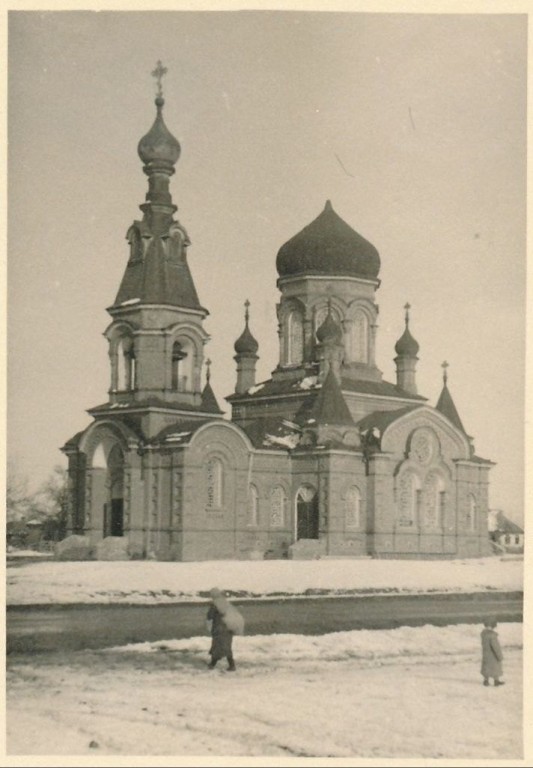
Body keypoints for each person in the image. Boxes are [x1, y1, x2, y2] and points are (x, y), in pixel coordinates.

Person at [205, 588, 244, 672]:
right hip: (228, 629)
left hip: (219, 630)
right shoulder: (226, 603)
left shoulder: (215, 604)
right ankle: (229, 665)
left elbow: (209, 616)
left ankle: (213, 664)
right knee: (226, 648)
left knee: (218, 647)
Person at [481, 619, 504, 686]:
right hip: (493, 655)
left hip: (486, 654)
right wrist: (500, 656)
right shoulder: (492, 635)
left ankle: (486, 681)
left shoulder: (483, 634)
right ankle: (496, 681)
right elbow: (495, 647)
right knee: (495, 667)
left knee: (486, 667)